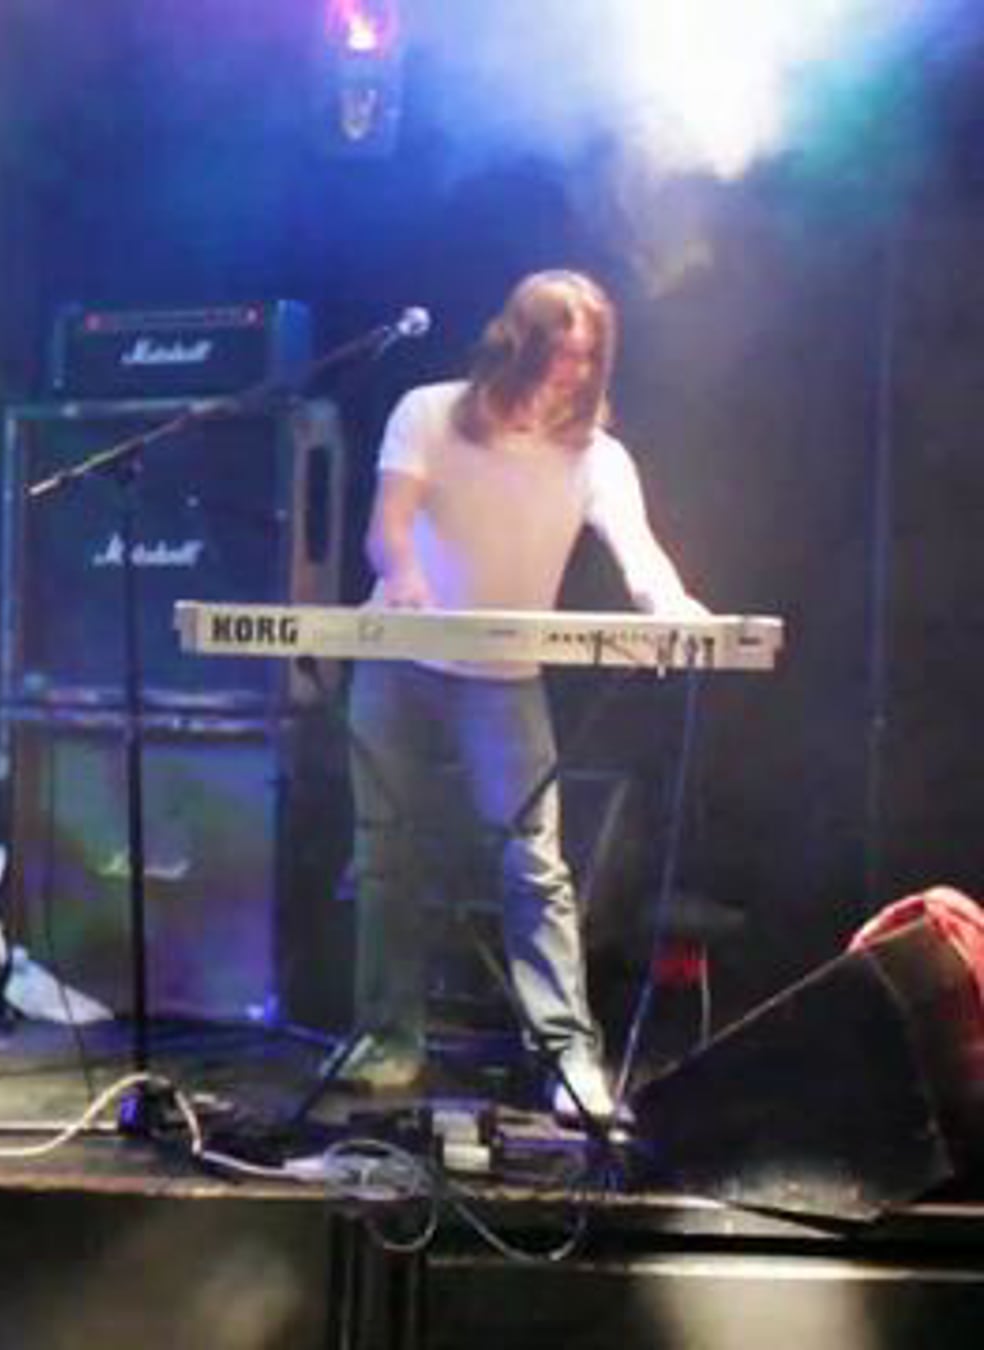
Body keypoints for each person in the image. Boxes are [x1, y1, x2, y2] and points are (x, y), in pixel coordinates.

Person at [343, 269, 705, 1123]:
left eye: (587, 358)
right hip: (398, 664)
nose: (570, 372)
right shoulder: (427, 413)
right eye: (557, 353)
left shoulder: (597, 457)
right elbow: (388, 529)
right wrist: (406, 581)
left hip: (504, 680)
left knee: (534, 866)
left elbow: (639, 552)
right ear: (514, 346)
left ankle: (571, 1058)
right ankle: (389, 1039)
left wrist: (675, 607)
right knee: (385, 851)